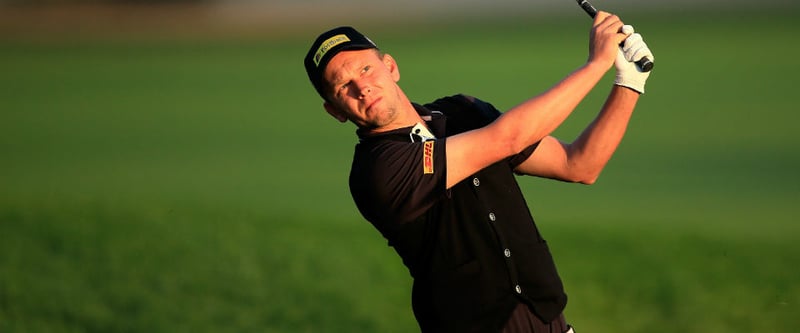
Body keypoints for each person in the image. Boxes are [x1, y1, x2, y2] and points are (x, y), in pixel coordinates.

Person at [303, 11, 653, 333]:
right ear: (335, 111)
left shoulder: (462, 112)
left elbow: (578, 164)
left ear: (390, 67)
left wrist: (629, 81)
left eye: (365, 69)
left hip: (549, 322)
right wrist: (596, 65)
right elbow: (507, 137)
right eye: (342, 86)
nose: (361, 87)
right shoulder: (378, 169)